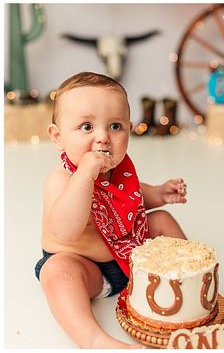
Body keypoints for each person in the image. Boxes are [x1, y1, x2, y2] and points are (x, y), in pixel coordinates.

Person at [35, 72, 187, 348]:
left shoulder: (119, 173)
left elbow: (132, 197)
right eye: (86, 127)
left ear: (129, 129)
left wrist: (158, 193)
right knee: (57, 272)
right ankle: (94, 339)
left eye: (115, 126)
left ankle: (188, 284)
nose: (103, 137)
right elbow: (66, 231)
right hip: (89, 269)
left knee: (162, 219)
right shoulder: (61, 180)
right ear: (57, 137)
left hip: (131, 258)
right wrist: (85, 177)